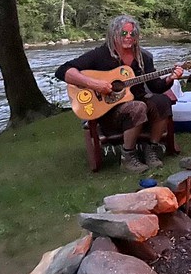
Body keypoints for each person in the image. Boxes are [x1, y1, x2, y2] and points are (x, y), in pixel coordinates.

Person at [55, 15, 183, 173]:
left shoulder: (143, 57)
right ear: (113, 34)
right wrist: (95, 84)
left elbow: (156, 86)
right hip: (110, 113)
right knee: (138, 107)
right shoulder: (100, 55)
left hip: (138, 105)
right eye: (124, 33)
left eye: (132, 34)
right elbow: (62, 71)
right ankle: (127, 157)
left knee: (162, 101)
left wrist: (170, 78)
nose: (129, 37)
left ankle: (152, 149)